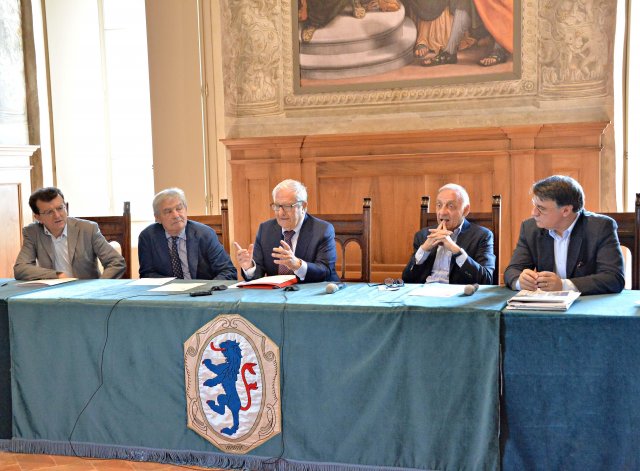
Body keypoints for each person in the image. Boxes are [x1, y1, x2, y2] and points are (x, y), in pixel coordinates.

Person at [504, 175, 625, 295]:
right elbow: (512, 271)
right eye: (534, 205)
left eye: (541, 208)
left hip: (587, 305)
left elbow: (613, 278)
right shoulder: (530, 228)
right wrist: (520, 281)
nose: (534, 213)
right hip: (545, 306)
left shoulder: (600, 227)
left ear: (566, 210)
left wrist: (563, 285)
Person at [235, 179, 339, 283]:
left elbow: (325, 271)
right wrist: (249, 267)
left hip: (315, 294)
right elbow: (258, 275)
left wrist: (298, 265)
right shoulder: (265, 230)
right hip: (277, 295)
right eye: (277, 206)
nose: (280, 213)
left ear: (303, 206)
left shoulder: (322, 230)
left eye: (287, 207)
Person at [14, 187, 126, 280]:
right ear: (38, 217)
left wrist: (99, 286)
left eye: (60, 208)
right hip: (51, 294)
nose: (57, 215)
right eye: (49, 212)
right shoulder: (32, 232)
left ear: (66, 207)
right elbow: (21, 268)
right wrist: (57, 275)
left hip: (87, 294)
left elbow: (116, 262)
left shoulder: (88, 229)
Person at [402, 183, 495, 284]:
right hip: (424, 294)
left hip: (458, 297)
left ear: (465, 210)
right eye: (439, 205)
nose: (442, 212)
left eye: (450, 206)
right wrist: (424, 249)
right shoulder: (423, 235)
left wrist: (455, 249)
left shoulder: (482, 236)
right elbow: (407, 279)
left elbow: (486, 280)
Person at [138, 188, 237, 280]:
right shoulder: (148, 237)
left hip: (202, 294)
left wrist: (208, 289)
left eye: (179, 208)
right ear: (157, 217)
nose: (176, 215)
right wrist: (174, 287)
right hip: (167, 295)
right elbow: (146, 274)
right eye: (168, 212)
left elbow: (228, 271)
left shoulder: (205, 234)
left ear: (186, 209)